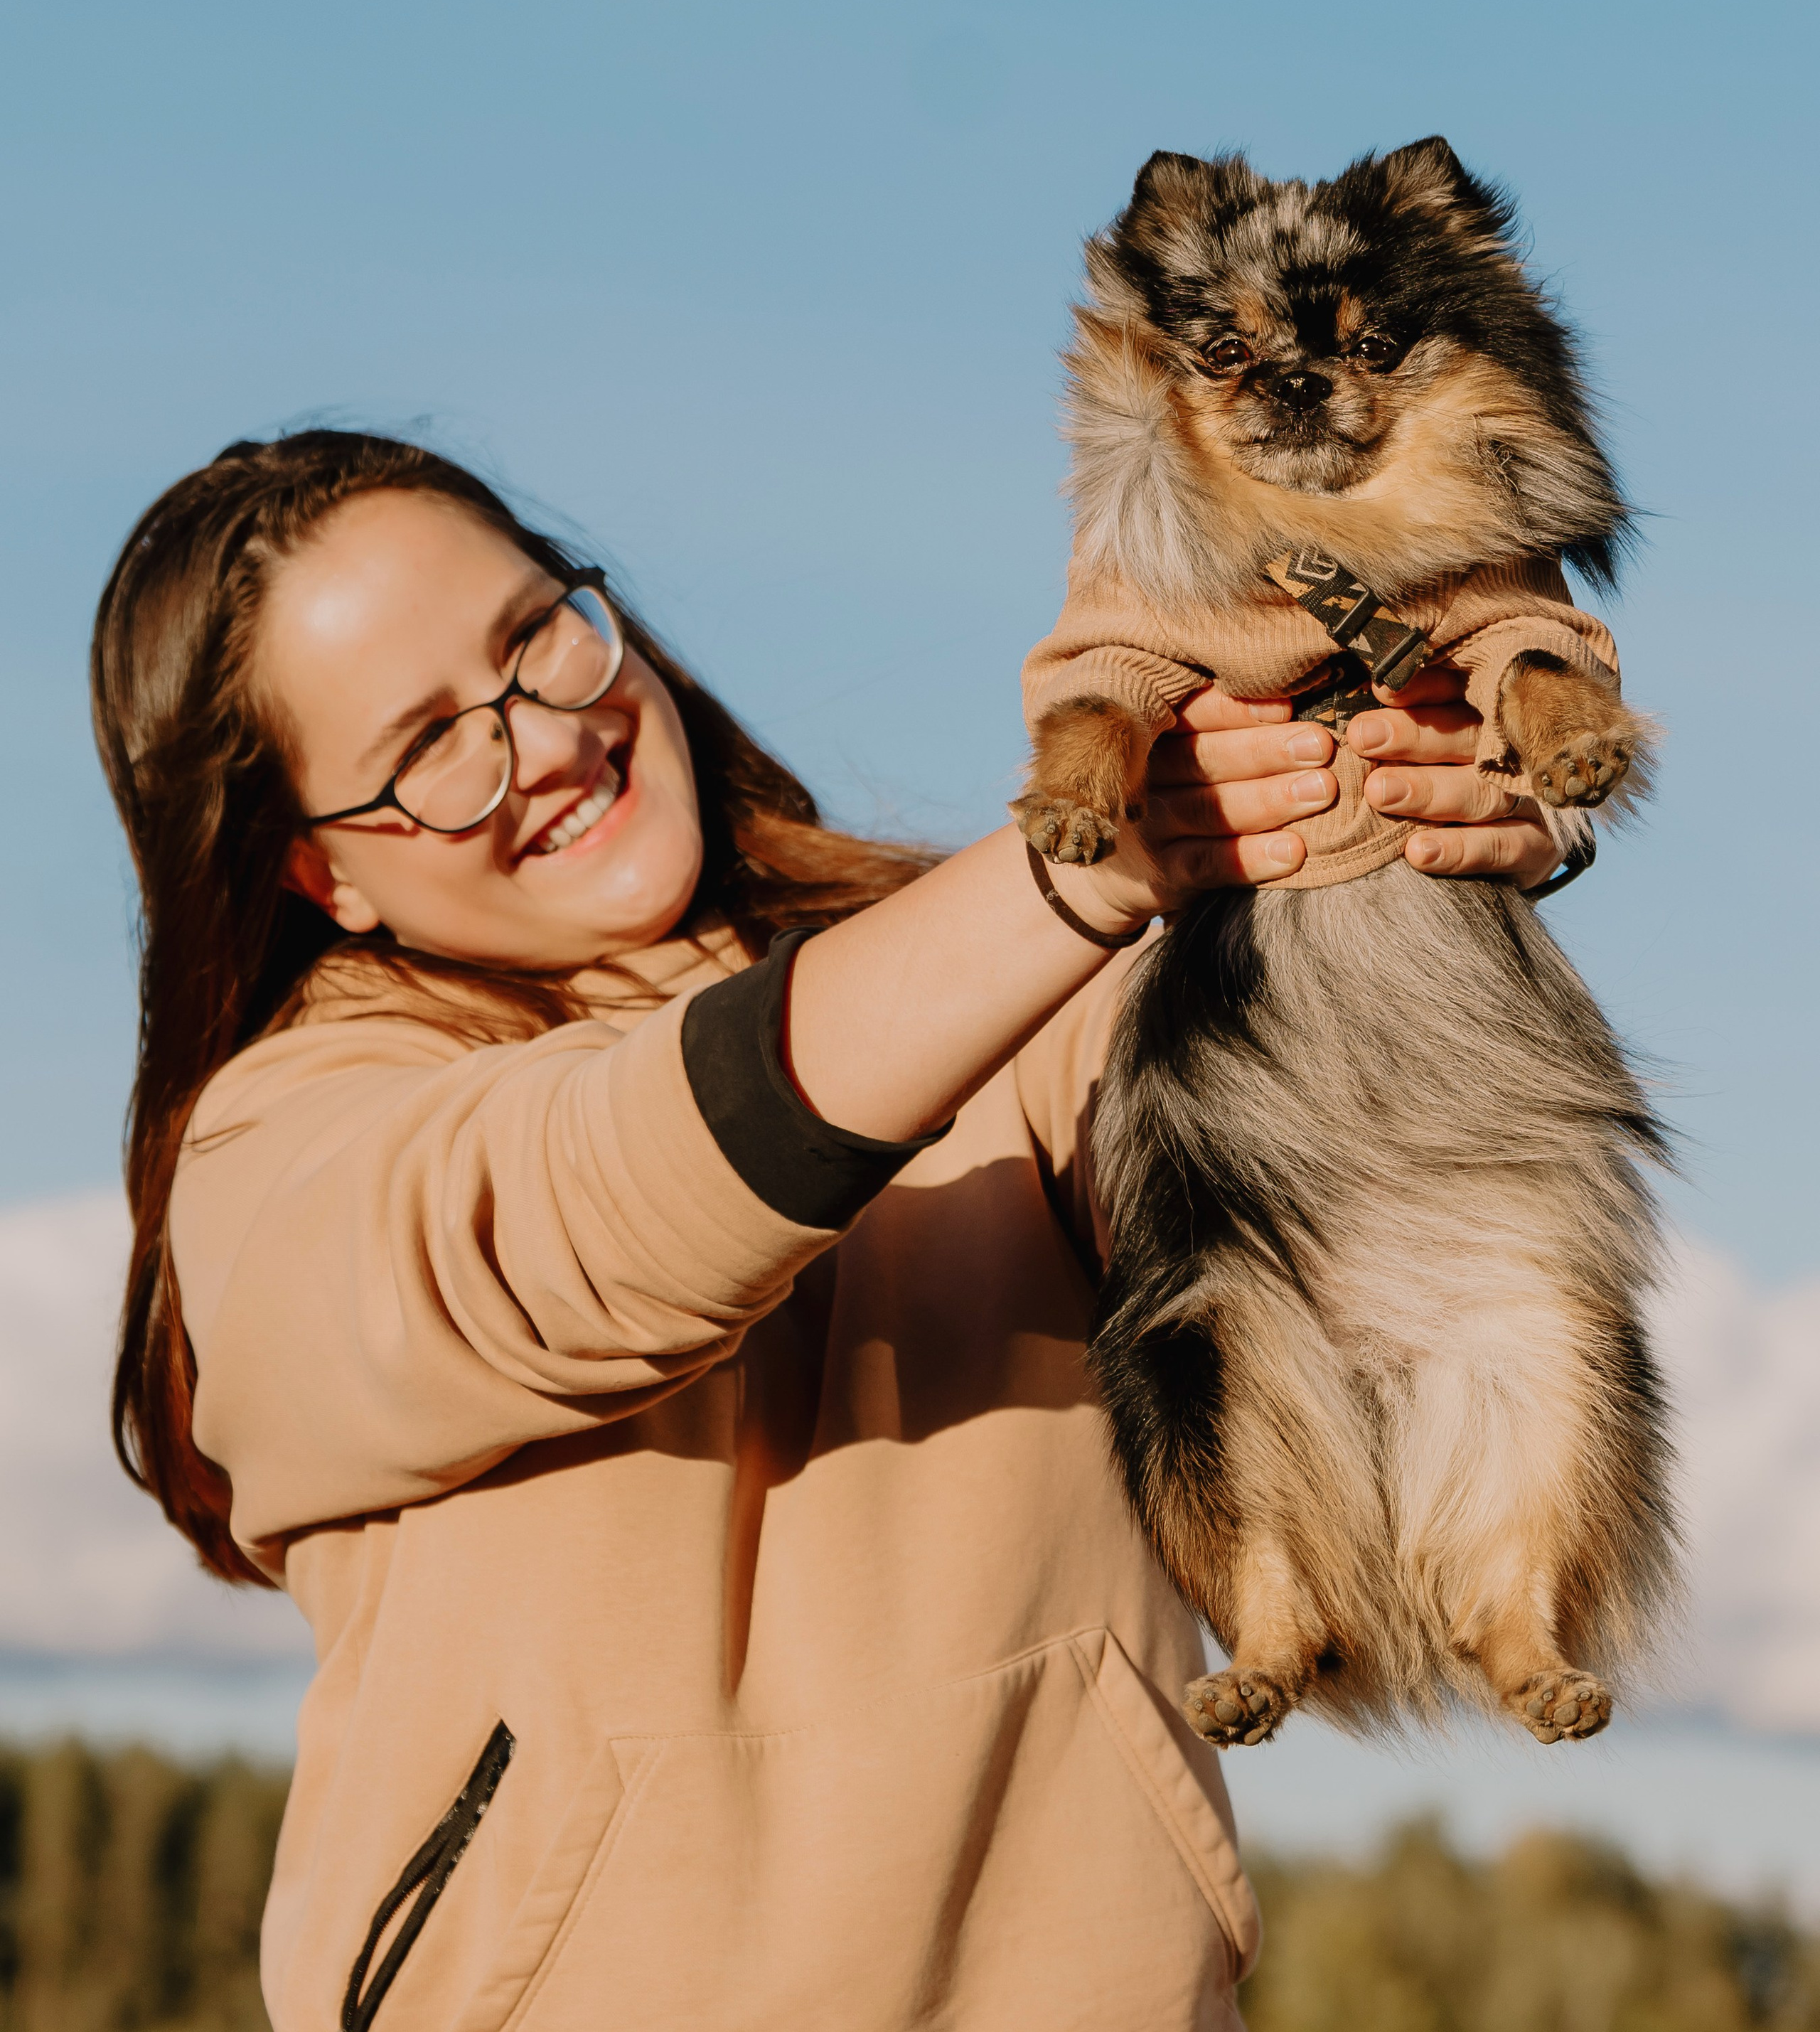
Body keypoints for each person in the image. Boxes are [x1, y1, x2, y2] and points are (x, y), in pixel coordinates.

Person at [93, 429, 1564, 2032]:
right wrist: (1072, 879)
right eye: (434, 741)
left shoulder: (1004, 983)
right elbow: (584, 1204)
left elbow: (1324, 1182)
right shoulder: (278, 1151)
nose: (550, 737)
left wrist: (1390, 804)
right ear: (321, 869)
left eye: (535, 636)